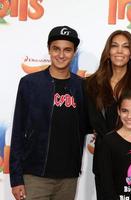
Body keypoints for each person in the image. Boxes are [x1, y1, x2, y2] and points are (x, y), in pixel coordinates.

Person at [9, 25, 88, 200]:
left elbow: (87, 125)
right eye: (56, 49)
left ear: (74, 52)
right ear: (49, 50)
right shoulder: (30, 83)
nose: (61, 55)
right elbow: (17, 132)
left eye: (67, 50)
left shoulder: (82, 86)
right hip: (35, 177)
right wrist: (16, 178)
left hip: (68, 178)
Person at [85, 30, 131, 199]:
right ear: (108, 51)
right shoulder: (91, 84)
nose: (119, 51)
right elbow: (90, 119)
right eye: (114, 46)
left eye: (125, 47)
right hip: (103, 159)